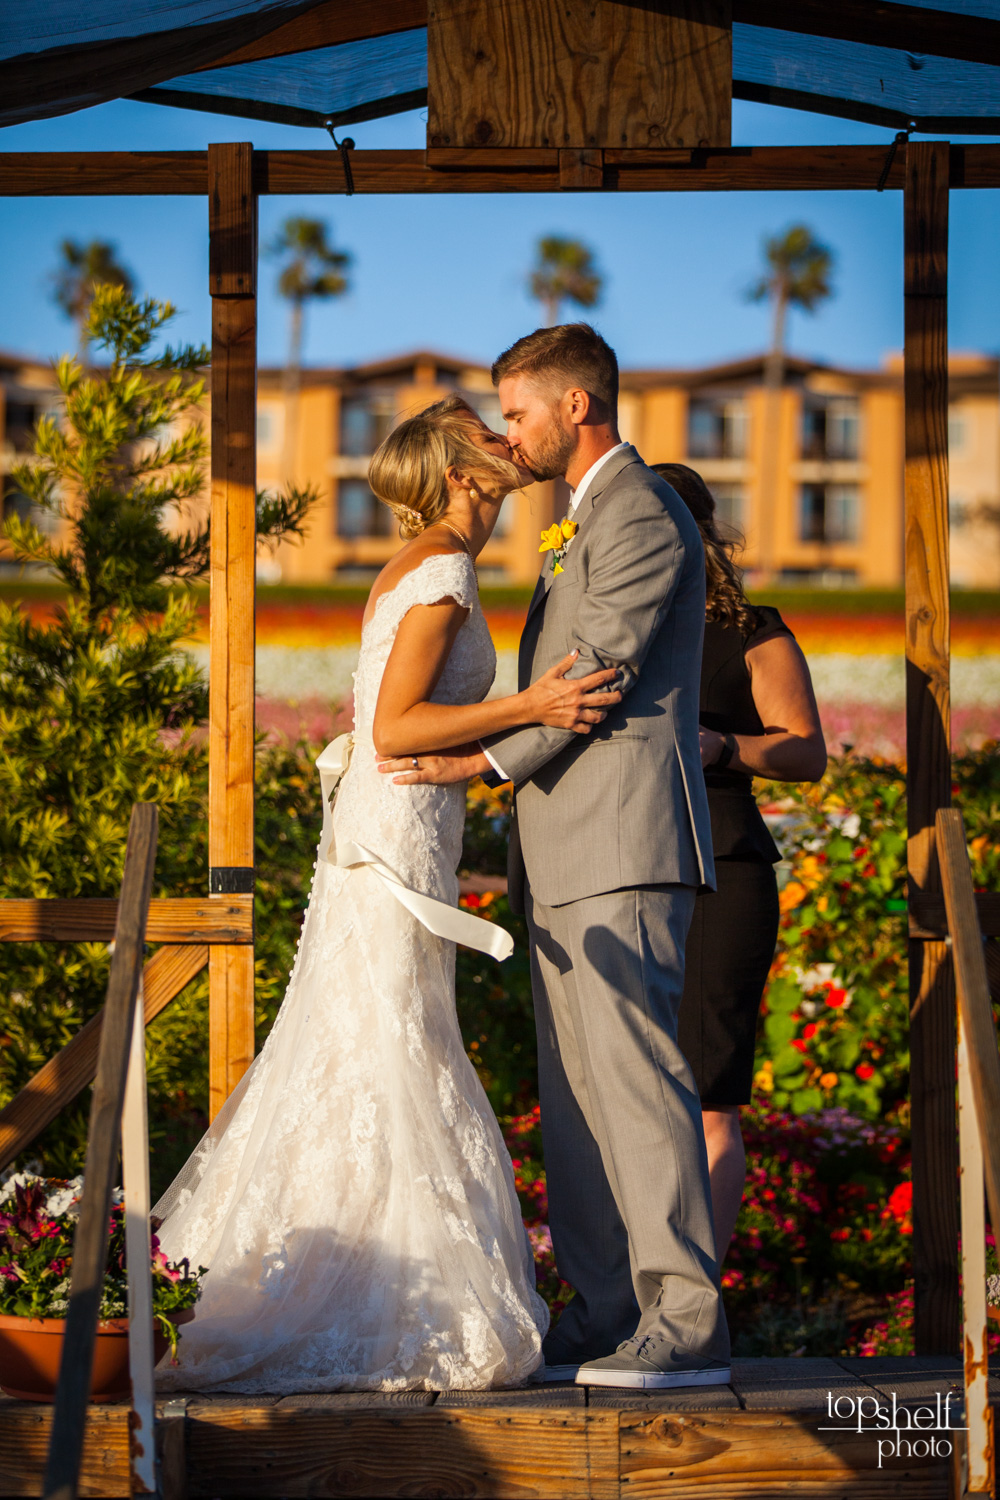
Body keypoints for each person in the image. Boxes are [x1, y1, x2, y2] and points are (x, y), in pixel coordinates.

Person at [154, 393, 623, 1394]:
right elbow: (396, 731)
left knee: (368, 1041)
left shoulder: (428, 563)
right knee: (388, 1043)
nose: (509, 442)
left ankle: (349, 1272)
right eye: (488, 433)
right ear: (461, 471)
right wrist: (535, 705)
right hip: (395, 833)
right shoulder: (444, 569)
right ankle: (377, 1300)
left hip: (401, 830)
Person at [379, 325, 731, 1391]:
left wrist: (476, 763)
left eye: (519, 412)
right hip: (563, 849)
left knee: (634, 1084)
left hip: (623, 845)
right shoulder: (584, 521)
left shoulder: (640, 514)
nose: (511, 435)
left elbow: (596, 677)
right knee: (575, 1095)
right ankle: (609, 1308)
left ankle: (687, 1322)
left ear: (576, 406)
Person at [651, 462, 826, 1260]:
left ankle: (697, 1300)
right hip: (625, 873)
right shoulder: (606, 626)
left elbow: (806, 752)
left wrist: (724, 745)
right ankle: (630, 1292)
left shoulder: (753, 629)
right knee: (638, 1096)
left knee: (709, 1096)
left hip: (723, 871)